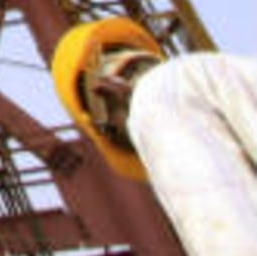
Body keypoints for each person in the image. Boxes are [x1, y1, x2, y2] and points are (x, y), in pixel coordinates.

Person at [53, 16, 257, 256]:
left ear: (108, 89)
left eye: (122, 136)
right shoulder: (231, 70)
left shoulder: (154, 101)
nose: (138, 148)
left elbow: (224, 227)